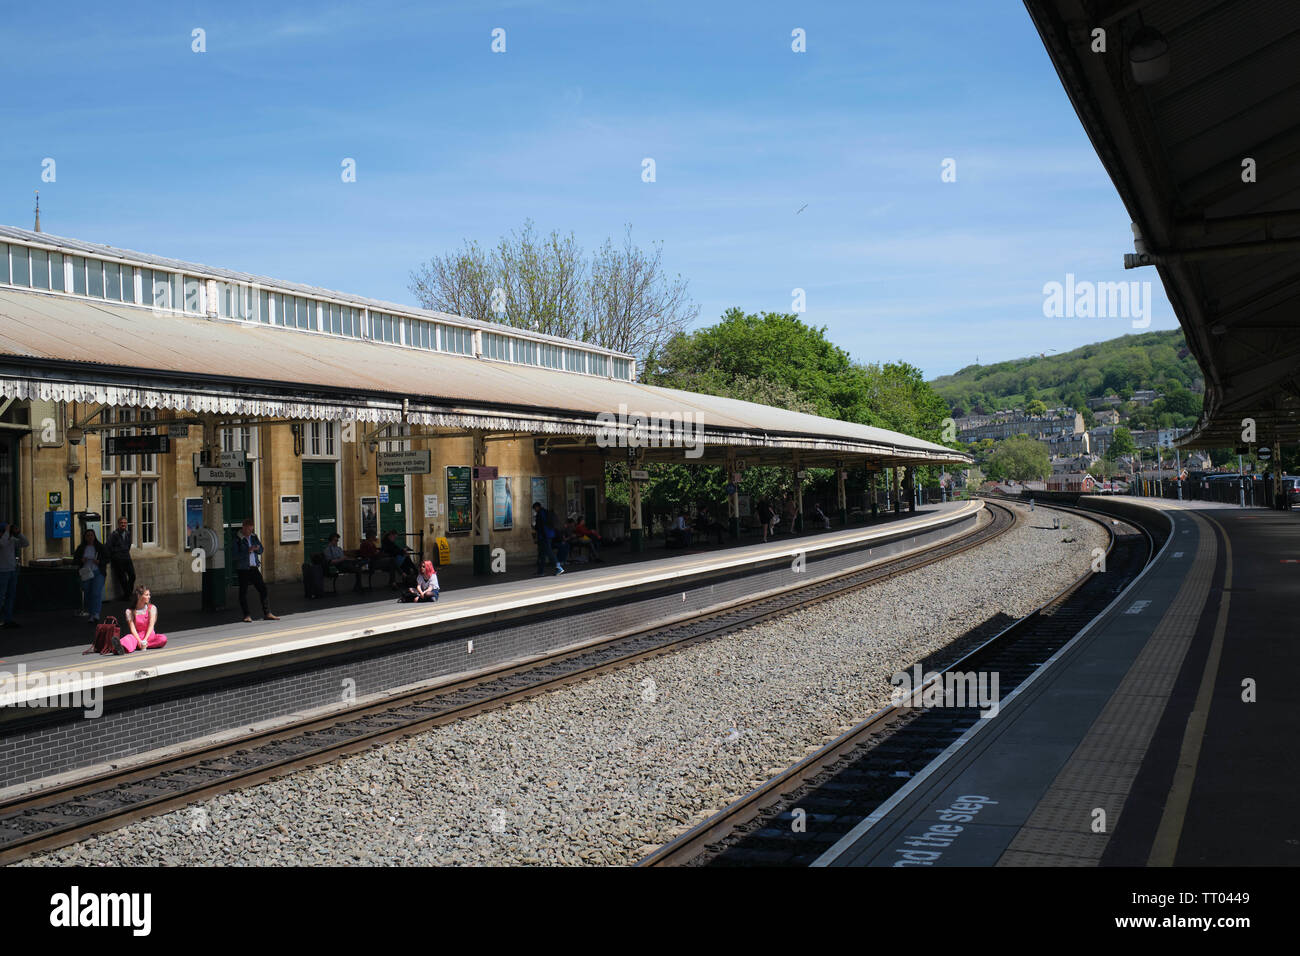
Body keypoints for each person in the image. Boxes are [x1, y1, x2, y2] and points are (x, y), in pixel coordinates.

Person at [234, 519, 279, 623]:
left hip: (254, 567)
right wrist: (247, 551)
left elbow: (261, 549)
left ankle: (267, 613)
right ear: (243, 527)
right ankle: (247, 615)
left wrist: (257, 548)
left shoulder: (254, 537)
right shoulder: (237, 539)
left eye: (252, 529)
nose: (250, 532)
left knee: (263, 589)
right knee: (243, 592)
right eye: (249, 529)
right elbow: (234, 556)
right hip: (243, 569)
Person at [73, 529, 109, 623]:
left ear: (94, 536)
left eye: (91, 535)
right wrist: (81, 560)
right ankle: (91, 613)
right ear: (85, 537)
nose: (90, 537)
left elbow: (107, 559)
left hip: (97, 572)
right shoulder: (81, 548)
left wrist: (99, 562)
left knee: (96, 593)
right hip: (86, 572)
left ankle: (96, 613)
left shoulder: (100, 547)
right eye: (88, 535)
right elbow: (75, 560)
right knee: (88, 592)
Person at [122, 584, 168, 652]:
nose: (149, 597)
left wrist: (145, 640)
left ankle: (137, 646)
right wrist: (139, 640)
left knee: (163, 638)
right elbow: (132, 628)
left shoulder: (151, 608)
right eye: (146, 595)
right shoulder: (130, 611)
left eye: (149, 595)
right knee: (127, 638)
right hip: (137, 637)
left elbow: (151, 626)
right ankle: (124, 646)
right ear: (139, 596)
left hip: (149, 637)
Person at [0, 522, 29, 628]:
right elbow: (2, 544)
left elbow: (25, 543)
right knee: (1, 596)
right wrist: (7, 532)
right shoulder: (3, 540)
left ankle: (8, 619)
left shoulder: (11, 540)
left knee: (10, 597)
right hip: (2, 571)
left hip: (12, 570)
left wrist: (19, 533)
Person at [107, 516, 136, 601]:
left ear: (126, 524)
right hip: (118, 559)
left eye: (125, 523)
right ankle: (127, 595)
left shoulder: (127, 533)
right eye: (121, 523)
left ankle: (128, 593)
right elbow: (109, 546)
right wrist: (115, 555)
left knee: (132, 576)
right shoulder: (114, 534)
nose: (123, 524)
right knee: (122, 578)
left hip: (127, 557)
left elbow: (128, 545)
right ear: (118, 524)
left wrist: (125, 551)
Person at [532, 502, 564, 575]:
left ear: (537, 507)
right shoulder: (545, 512)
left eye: (535, 509)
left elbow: (541, 526)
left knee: (549, 552)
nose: (535, 510)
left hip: (544, 536)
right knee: (542, 554)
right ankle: (540, 571)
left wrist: (536, 529)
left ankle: (558, 567)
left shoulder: (540, 514)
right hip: (549, 535)